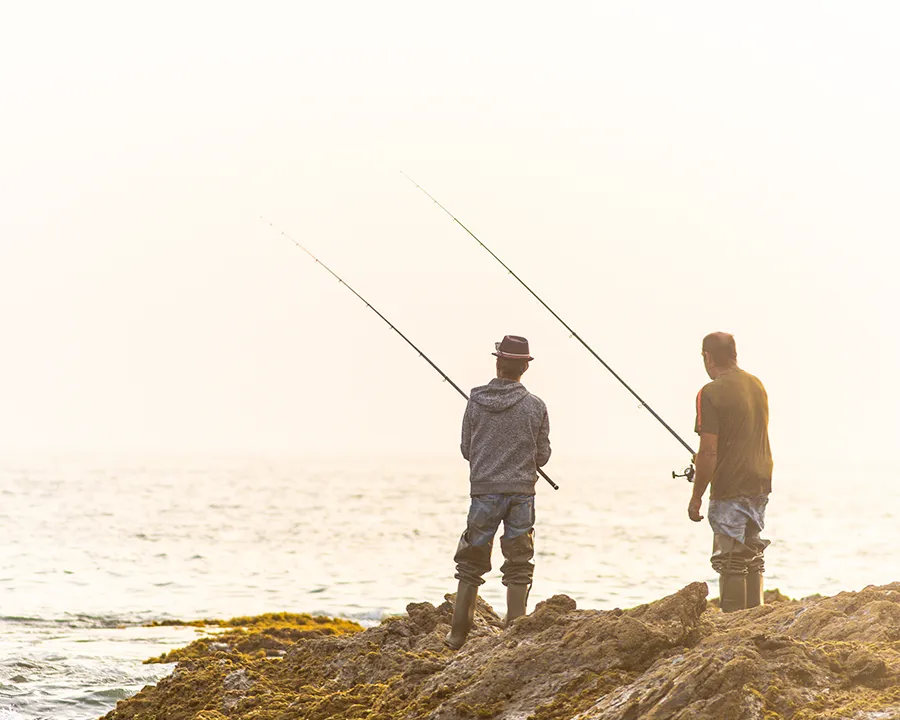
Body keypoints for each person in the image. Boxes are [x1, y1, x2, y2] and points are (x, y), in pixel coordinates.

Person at [445, 335, 551, 650]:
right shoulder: (536, 407)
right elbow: (542, 456)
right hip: (521, 495)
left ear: (498, 362)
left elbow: (467, 449)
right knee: (519, 562)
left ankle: (458, 634)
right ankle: (514, 632)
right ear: (524, 368)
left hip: (483, 493)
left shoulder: (475, 401)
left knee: (471, 561)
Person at [688, 332, 774, 612]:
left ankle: (733, 623)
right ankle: (754, 620)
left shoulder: (710, 392)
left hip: (730, 486)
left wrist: (696, 496)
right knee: (752, 552)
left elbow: (709, 451)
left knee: (731, 559)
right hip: (760, 481)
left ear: (708, 357)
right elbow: (742, 436)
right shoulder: (756, 384)